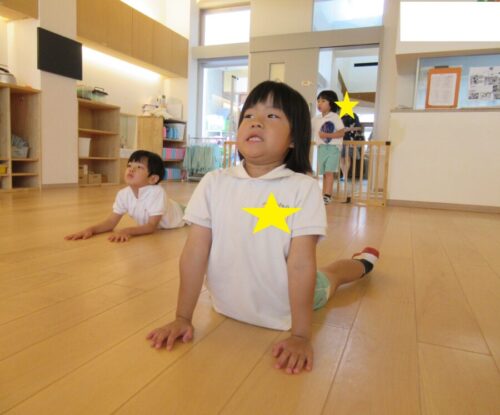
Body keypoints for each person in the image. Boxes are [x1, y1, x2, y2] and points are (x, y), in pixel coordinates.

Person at [147, 81, 379, 375]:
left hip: (291, 299)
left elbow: (301, 265)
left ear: (293, 138)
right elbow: (194, 254)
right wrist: (182, 317)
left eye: (272, 116)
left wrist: (300, 336)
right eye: (248, 115)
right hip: (228, 304)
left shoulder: (303, 188)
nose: (255, 121)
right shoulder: (213, 183)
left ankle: (364, 262)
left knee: (331, 277)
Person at [64, 150, 185, 242]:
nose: (131, 169)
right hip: (169, 205)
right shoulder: (123, 194)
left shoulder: (157, 193)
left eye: (139, 167)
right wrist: (91, 230)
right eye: (129, 165)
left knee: (192, 213)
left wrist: (127, 231)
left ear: (153, 179)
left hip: (181, 213)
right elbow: (111, 222)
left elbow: (151, 226)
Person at [311, 90, 346, 205]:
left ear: (331, 103)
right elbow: (307, 127)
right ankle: (324, 195)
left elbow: (341, 132)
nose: (319, 103)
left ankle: (327, 195)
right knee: (325, 173)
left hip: (333, 148)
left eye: (323, 101)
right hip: (321, 148)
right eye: (318, 101)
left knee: (329, 172)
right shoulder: (316, 118)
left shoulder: (334, 117)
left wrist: (327, 135)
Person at [340, 112, 364, 183]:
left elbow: (359, 127)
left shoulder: (354, 115)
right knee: (341, 158)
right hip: (339, 139)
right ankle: (344, 175)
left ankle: (345, 176)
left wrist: (348, 129)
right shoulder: (340, 115)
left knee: (347, 157)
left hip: (350, 139)